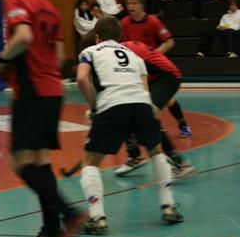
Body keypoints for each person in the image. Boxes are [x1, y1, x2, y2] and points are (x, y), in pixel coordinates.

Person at [0, 0, 87, 237]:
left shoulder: (16, 1)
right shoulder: (50, 7)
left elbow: (23, 36)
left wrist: (3, 58)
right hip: (53, 90)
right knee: (41, 160)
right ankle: (51, 230)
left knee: (21, 163)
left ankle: (69, 213)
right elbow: (58, 57)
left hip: (31, 91)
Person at [76, 16, 183, 234]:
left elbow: (81, 78)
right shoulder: (134, 55)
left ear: (97, 37)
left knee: (89, 163)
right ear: (120, 36)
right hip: (141, 104)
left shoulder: (90, 51)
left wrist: (94, 107)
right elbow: (143, 90)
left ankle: (98, 218)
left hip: (112, 104)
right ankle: (168, 207)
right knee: (156, 152)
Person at [79, 29, 195, 179]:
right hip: (148, 76)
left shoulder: (113, 53)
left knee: (147, 113)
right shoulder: (113, 51)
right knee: (123, 104)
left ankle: (178, 162)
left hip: (165, 77)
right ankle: (135, 155)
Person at [122, 0, 193, 139]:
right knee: (146, 102)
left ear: (142, 5)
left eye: (135, 3)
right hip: (138, 72)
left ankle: (181, 125)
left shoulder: (152, 21)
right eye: (129, 3)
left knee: (165, 101)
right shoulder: (125, 23)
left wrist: (152, 55)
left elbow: (169, 42)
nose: (131, 6)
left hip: (155, 70)